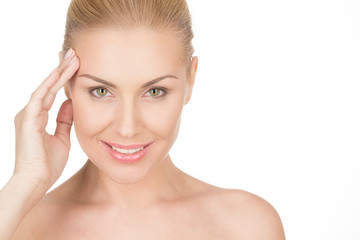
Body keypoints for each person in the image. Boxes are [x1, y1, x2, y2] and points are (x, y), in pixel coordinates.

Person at [0, 0, 285, 239]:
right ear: (65, 82)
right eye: (101, 91)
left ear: (191, 78)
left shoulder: (247, 226)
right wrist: (26, 180)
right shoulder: (19, 225)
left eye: (154, 91)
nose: (127, 128)